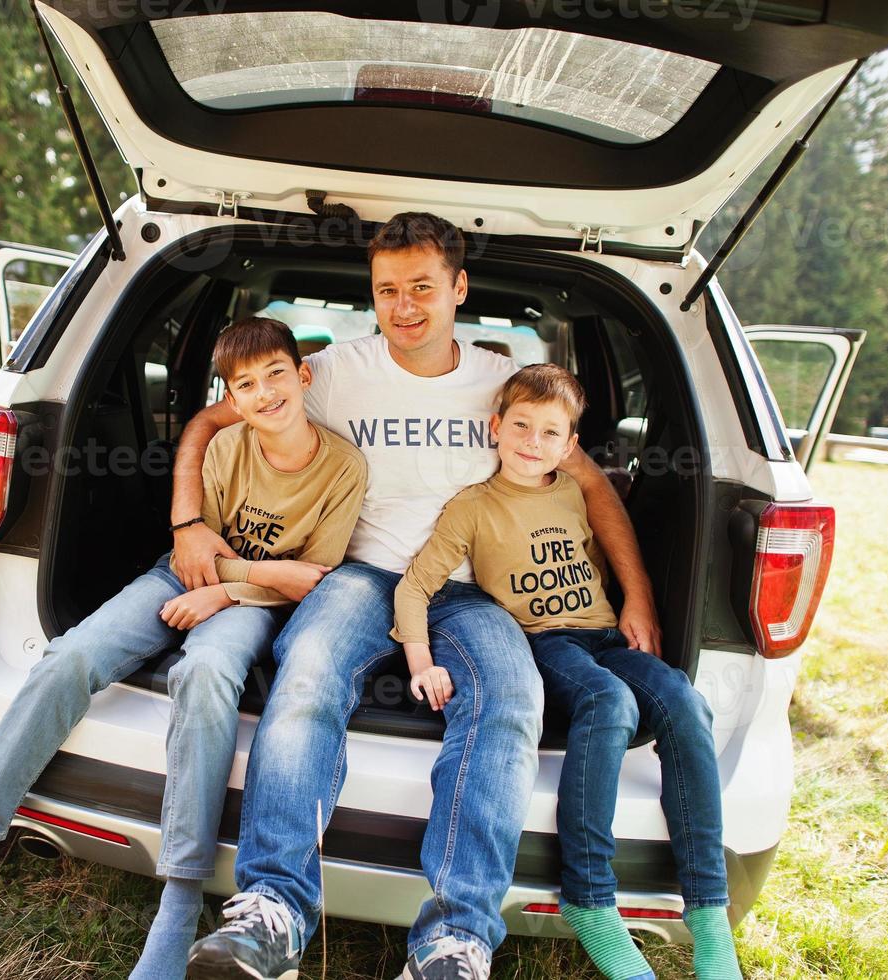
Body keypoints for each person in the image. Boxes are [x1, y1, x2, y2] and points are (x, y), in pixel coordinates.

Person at [178, 213, 661, 980]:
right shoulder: (332, 370)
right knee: (305, 675)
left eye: (423, 288)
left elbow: (591, 485)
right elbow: (212, 418)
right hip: (361, 577)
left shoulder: (498, 383)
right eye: (386, 290)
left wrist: (638, 597)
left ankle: (454, 940)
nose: (404, 307)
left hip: (470, 594)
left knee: (510, 697)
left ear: (458, 289)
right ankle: (273, 911)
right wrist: (187, 523)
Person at [0, 317, 366, 980]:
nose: (264, 394)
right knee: (72, 656)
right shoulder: (226, 446)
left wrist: (226, 591)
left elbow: (310, 577)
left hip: (251, 603)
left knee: (204, 676)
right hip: (190, 575)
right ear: (230, 395)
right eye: (245, 385)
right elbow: (199, 550)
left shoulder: (343, 466)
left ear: (302, 375)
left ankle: (180, 894)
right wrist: (229, 573)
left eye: (276, 375)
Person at [393, 363, 741, 980]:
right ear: (495, 427)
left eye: (551, 433)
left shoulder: (576, 490)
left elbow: (613, 544)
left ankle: (710, 914)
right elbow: (416, 586)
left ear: (570, 444)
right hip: (545, 642)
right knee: (610, 702)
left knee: (685, 703)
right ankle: (590, 897)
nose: (533, 442)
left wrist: (639, 600)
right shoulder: (473, 506)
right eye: (521, 426)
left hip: (603, 633)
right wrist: (419, 658)